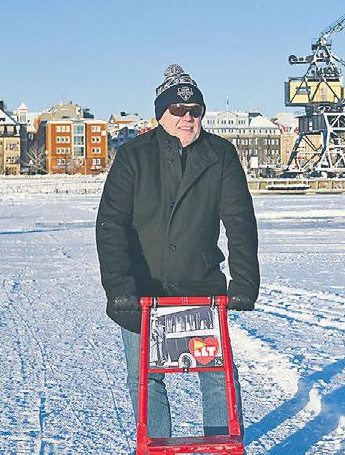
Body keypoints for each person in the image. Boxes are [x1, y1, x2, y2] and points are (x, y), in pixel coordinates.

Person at [96, 64, 260, 439]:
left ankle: (222, 445)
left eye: (195, 110)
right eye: (178, 109)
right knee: (145, 379)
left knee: (217, 375)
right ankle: (157, 446)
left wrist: (245, 282)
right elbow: (111, 226)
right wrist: (119, 287)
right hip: (142, 291)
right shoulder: (133, 156)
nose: (187, 118)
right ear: (161, 113)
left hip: (201, 289)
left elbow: (239, 222)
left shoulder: (220, 154)